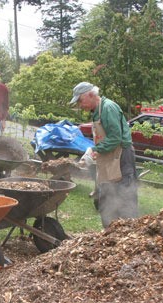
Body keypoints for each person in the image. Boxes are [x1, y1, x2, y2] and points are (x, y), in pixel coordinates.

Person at [70, 82, 138, 228]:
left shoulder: (108, 108)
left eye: (81, 101)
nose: (81, 105)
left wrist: (95, 150)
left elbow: (115, 138)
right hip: (109, 157)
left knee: (125, 197)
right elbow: (106, 138)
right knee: (106, 196)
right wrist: (95, 151)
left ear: (91, 94)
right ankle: (109, 233)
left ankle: (129, 234)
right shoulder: (97, 111)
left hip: (121, 157)